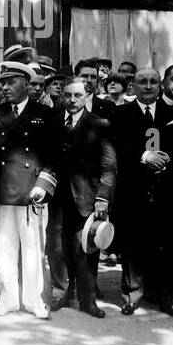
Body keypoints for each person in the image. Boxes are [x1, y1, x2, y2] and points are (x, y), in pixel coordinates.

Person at [112, 65, 173, 317]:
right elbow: (116, 145)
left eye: (153, 82)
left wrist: (167, 158)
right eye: (143, 82)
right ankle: (132, 295)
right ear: (134, 85)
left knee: (167, 246)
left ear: (160, 85)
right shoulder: (122, 113)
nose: (148, 87)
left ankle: (167, 297)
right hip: (134, 190)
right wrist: (145, 155)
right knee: (133, 244)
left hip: (166, 191)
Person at [0, 61, 59, 320]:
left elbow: (54, 154)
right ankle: (7, 298)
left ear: (27, 84)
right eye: (2, 82)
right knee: (3, 247)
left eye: (10, 82)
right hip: (4, 190)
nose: (4, 87)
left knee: (33, 248)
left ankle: (34, 300)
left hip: (32, 192)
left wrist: (43, 184)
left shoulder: (46, 114)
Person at [48, 76, 116, 319]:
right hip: (57, 197)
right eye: (67, 95)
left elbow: (108, 165)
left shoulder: (99, 124)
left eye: (77, 95)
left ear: (87, 96)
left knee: (85, 248)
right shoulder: (54, 121)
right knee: (56, 248)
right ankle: (61, 293)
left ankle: (88, 300)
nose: (72, 100)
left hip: (86, 197)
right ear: (62, 96)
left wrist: (103, 198)